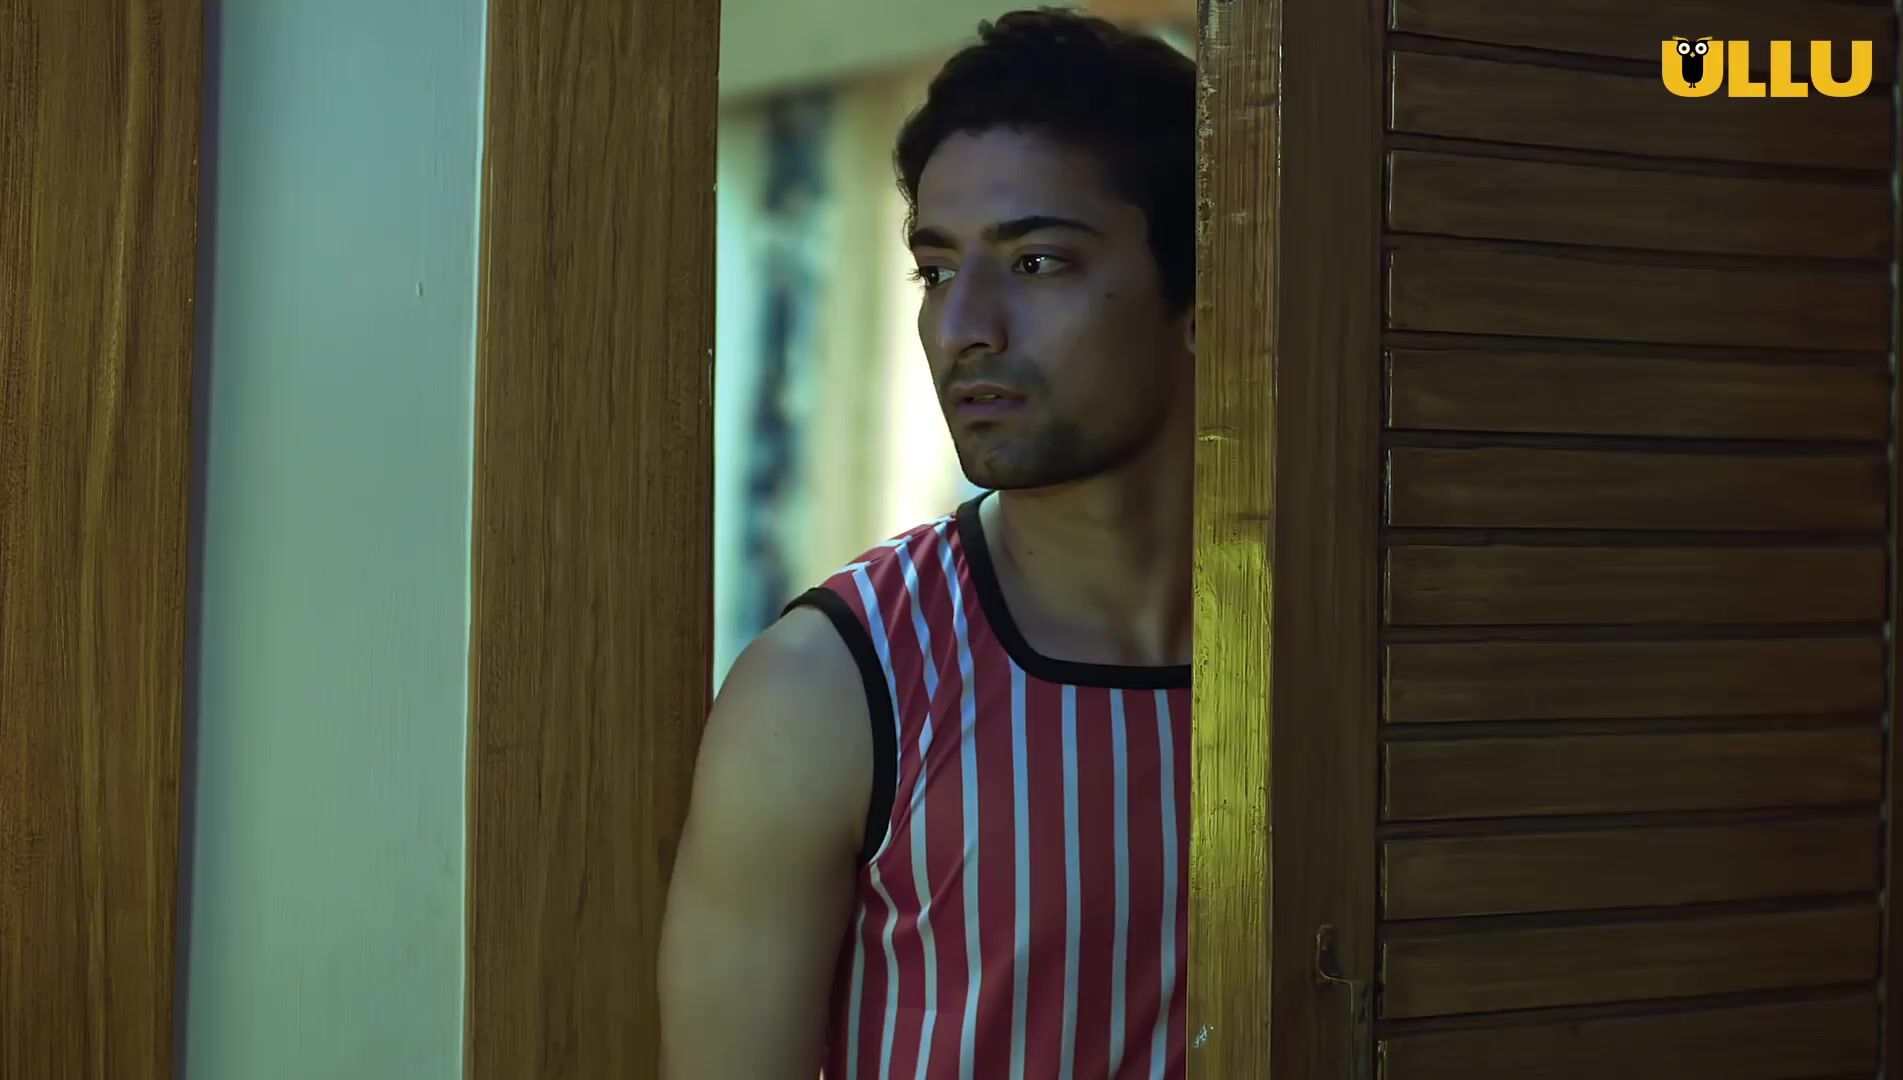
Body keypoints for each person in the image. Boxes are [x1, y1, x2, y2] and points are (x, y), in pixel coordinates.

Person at [659, 8, 1196, 1077]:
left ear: (1201, 287)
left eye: (1035, 262)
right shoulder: (828, 689)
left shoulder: (1343, 652)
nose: (963, 330)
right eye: (937, 271)